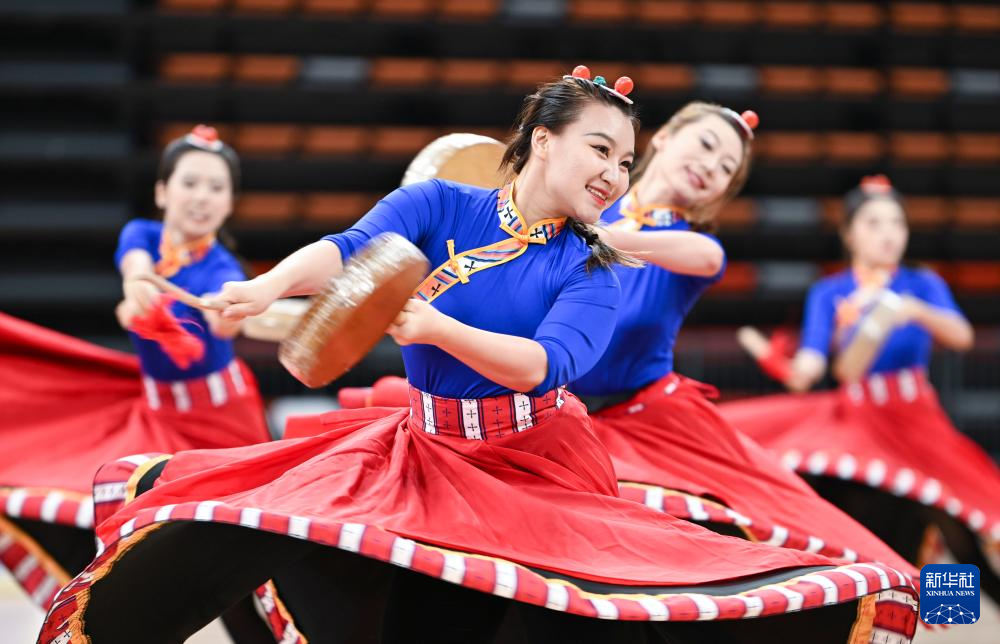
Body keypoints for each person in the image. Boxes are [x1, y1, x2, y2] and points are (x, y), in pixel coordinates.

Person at [41, 72, 917, 644]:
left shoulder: (610, 255)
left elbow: (545, 364)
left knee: (747, 564)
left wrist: (440, 324)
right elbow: (351, 251)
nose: (617, 172)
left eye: (623, 160)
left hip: (549, 450)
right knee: (248, 526)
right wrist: (266, 286)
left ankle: (929, 597)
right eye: (602, 150)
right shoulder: (445, 201)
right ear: (544, 138)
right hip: (429, 441)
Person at [0, 126, 270, 624]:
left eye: (216, 187)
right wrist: (138, 291)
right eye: (190, 183)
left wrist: (227, 314)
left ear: (230, 203)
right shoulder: (141, 237)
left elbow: (222, 320)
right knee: (101, 510)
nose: (202, 197)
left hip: (221, 423)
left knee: (239, 558)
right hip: (157, 414)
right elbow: (137, 271)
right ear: (162, 192)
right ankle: (97, 620)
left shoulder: (223, 269)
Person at [720, 174, 998, 601]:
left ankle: (949, 614)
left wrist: (913, 310)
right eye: (874, 223)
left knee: (956, 524)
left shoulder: (920, 284)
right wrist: (791, 368)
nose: (888, 234)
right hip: (858, 426)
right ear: (849, 233)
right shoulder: (831, 292)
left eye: (897, 223)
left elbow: (960, 336)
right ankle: (870, 616)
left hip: (914, 422)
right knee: (866, 539)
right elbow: (815, 364)